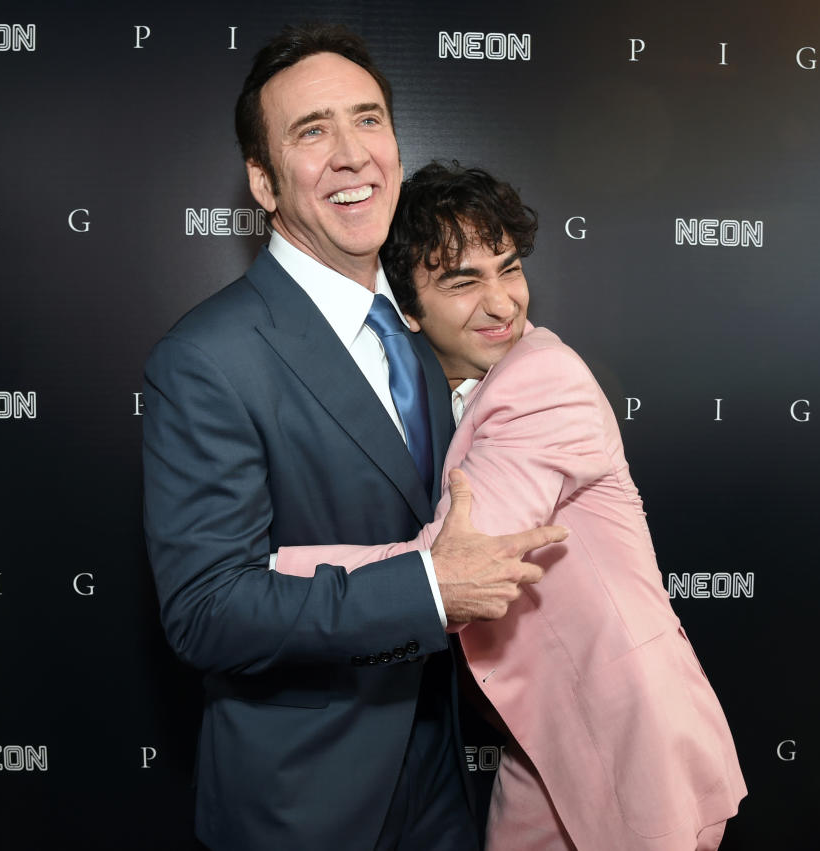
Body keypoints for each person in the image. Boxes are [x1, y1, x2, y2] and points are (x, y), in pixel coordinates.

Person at [142, 25, 566, 851]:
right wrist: (429, 592)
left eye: (368, 120)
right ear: (263, 183)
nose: (351, 154)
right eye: (312, 131)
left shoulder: (426, 331)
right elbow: (205, 608)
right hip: (303, 806)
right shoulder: (206, 359)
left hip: (444, 785)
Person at [273, 163, 748, 850]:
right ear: (406, 307)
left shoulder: (544, 379)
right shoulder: (449, 394)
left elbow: (457, 564)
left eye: (509, 268)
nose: (502, 304)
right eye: (464, 281)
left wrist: (264, 568)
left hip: (628, 738)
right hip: (545, 739)